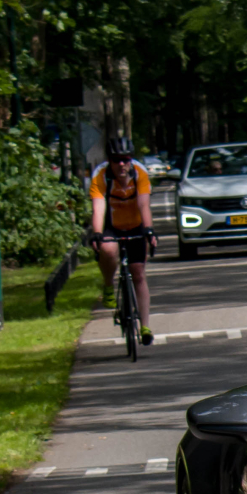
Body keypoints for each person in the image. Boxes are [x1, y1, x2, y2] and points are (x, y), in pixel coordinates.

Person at [88, 133, 156, 345]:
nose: (121, 164)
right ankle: (108, 284)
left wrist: (149, 231)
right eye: (117, 160)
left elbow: (144, 204)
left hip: (135, 224)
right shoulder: (100, 176)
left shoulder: (139, 174)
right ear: (110, 161)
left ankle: (145, 326)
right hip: (112, 225)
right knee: (107, 250)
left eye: (126, 159)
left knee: (138, 273)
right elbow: (98, 208)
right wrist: (97, 233)